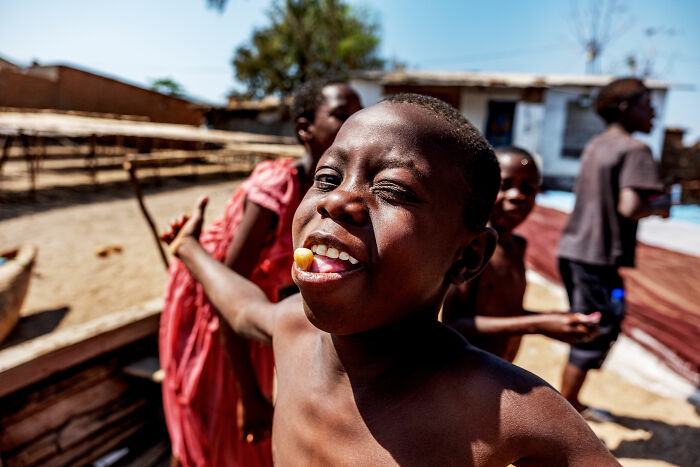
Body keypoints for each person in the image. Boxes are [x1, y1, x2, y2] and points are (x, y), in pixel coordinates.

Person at [168, 94, 618, 465]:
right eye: (327, 177)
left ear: (468, 256)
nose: (339, 199)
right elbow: (243, 305)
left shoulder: (501, 409)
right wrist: (189, 249)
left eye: (393, 190)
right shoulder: (292, 329)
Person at [160, 79, 361, 466]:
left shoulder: (330, 194)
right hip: (215, 302)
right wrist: (249, 394)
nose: (354, 124)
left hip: (252, 303)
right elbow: (229, 290)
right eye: (341, 115)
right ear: (305, 128)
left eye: (359, 114)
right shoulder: (277, 186)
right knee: (215, 411)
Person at [557, 77, 670, 419]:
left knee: (590, 323)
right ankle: (567, 409)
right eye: (648, 104)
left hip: (573, 248)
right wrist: (663, 204)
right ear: (625, 108)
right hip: (598, 255)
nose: (654, 112)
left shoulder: (597, 144)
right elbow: (630, 206)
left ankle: (570, 403)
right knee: (596, 329)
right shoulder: (636, 150)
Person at [443, 146, 600, 362]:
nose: (517, 196)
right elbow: (454, 324)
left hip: (499, 370)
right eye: (504, 186)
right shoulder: (472, 247)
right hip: (464, 373)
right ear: (480, 190)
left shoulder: (517, 246)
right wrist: (537, 325)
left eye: (528, 189)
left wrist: (553, 320)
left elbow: (506, 313)